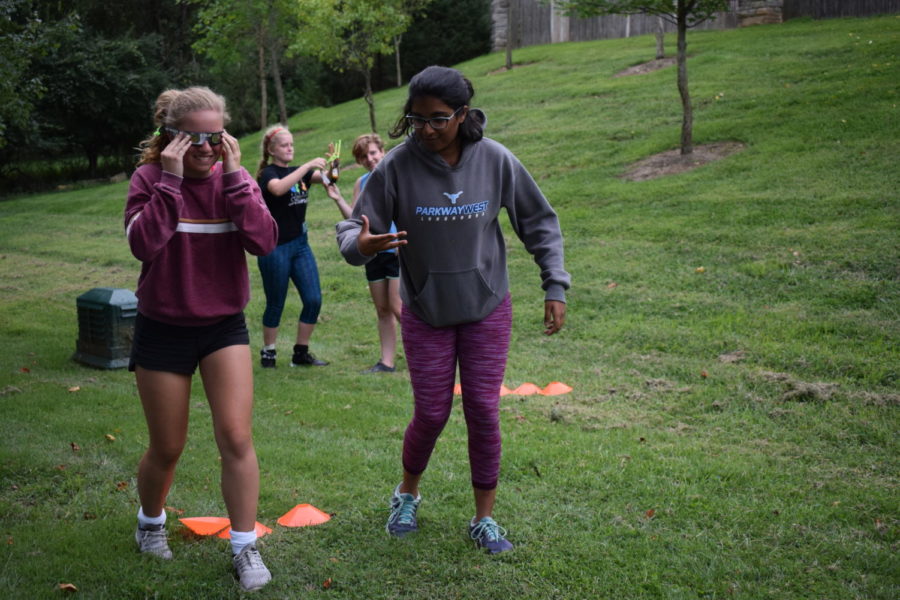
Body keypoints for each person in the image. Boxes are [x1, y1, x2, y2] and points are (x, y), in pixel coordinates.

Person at [336, 66, 570, 553]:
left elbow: (540, 222)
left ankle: (484, 518)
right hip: (424, 309)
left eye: (437, 119)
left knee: (484, 410)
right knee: (432, 413)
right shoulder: (397, 166)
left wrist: (555, 284)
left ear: (462, 114)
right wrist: (360, 241)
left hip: (486, 307)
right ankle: (407, 493)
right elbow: (353, 229)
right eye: (416, 119)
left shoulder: (496, 160)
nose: (424, 129)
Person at [124, 86, 276, 591]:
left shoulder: (235, 180)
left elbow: (263, 240)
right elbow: (143, 245)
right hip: (163, 327)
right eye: (193, 138)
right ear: (168, 137)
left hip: (221, 326)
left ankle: (244, 546)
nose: (206, 148)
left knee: (235, 435)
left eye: (216, 137)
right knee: (167, 447)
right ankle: (150, 524)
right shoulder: (149, 179)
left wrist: (235, 179)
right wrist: (168, 182)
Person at [325, 133, 401, 373]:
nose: (369, 159)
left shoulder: (398, 175)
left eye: (373, 153)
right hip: (373, 251)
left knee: (398, 307)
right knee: (382, 308)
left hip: (397, 249)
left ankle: (426, 358)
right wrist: (338, 198)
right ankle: (386, 362)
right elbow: (356, 221)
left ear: (382, 151)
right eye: (363, 156)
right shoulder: (362, 183)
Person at [255, 125, 331, 369]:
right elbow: (277, 188)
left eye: (292, 145)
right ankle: (269, 352)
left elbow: (331, 178)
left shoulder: (298, 173)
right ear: (272, 149)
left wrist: (333, 163)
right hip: (275, 247)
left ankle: (301, 352)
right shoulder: (268, 173)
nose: (290, 148)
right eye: (285, 145)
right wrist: (308, 166)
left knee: (313, 299)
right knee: (276, 301)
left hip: (300, 245)